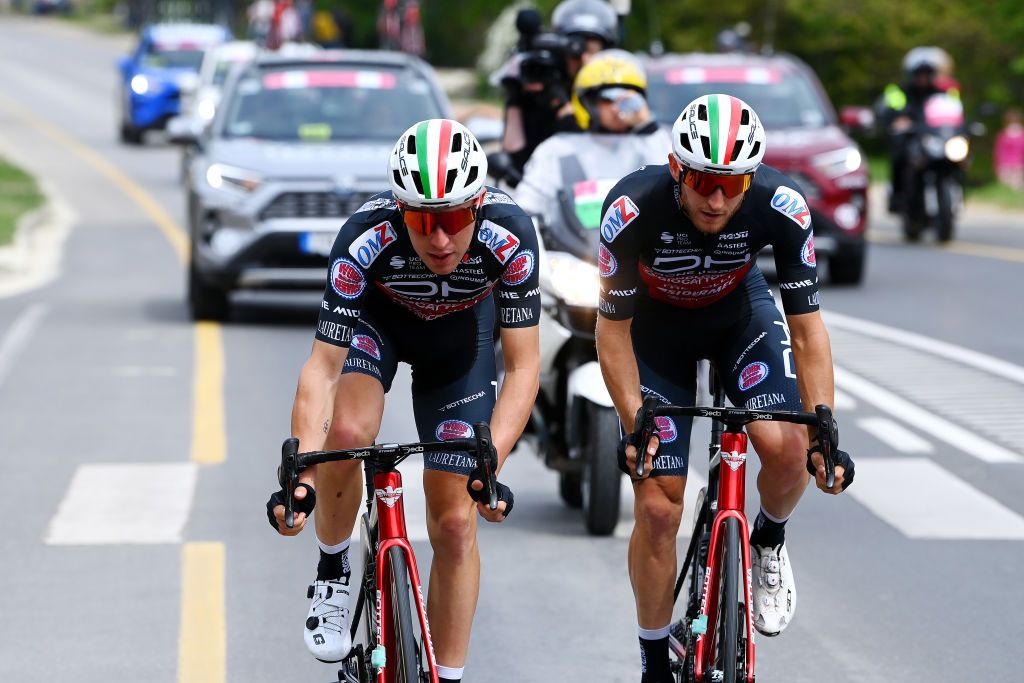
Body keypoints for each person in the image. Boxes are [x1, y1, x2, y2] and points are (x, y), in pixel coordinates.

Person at [266, 119, 541, 683]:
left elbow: (523, 365)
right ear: (399, 209)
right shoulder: (365, 237)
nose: (439, 240)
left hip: (462, 344)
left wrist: (492, 465)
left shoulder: (511, 234)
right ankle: (335, 566)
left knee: (456, 523)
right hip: (380, 327)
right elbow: (323, 367)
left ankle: (450, 674)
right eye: (422, 221)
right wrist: (303, 480)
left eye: (454, 221)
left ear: (479, 205)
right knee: (347, 432)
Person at [594, 94, 855, 683]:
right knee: (659, 504)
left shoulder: (781, 203)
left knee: (790, 448)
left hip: (740, 317)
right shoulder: (630, 209)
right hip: (654, 337)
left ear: (753, 176)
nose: (717, 199)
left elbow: (807, 328)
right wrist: (635, 416)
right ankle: (654, 658)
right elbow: (611, 333)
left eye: (733, 184)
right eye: (704, 182)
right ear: (675, 169)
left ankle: (768, 539)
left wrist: (824, 421)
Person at [515, 50, 670, 223]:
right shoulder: (556, 150)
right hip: (568, 250)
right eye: (608, 98)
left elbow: (672, 181)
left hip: (636, 248)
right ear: (588, 102)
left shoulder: (649, 144)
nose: (617, 107)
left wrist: (647, 124)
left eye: (626, 98)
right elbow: (527, 207)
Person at [498, 0, 620, 179]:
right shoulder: (543, 91)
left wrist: (563, 110)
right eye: (575, 53)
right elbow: (514, 162)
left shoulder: (614, 95)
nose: (584, 61)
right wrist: (514, 98)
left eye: (592, 51)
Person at [878, 46, 957, 211]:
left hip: (934, 136)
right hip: (911, 137)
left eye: (926, 74)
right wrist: (897, 120)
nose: (922, 78)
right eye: (918, 74)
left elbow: (953, 111)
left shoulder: (941, 92)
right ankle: (898, 195)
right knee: (899, 155)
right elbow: (887, 110)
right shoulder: (899, 91)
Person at [994, 108, 1024, 190]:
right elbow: (999, 151)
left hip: (1018, 164)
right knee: (1006, 186)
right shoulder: (1003, 135)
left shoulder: (1020, 135)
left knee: (1016, 185)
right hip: (1005, 164)